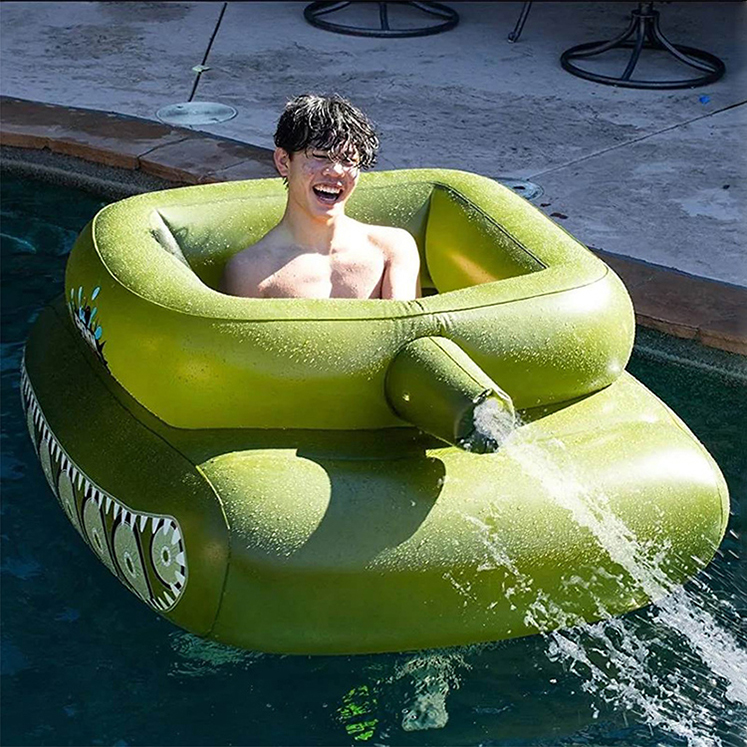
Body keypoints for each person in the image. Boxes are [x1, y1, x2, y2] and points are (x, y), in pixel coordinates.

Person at [220, 94, 420, 300]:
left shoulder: (391, 249)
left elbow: (407, 330)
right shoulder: (251, 270)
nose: (335, 171)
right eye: (320, 157)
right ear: (283, 161)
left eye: (348, 160)